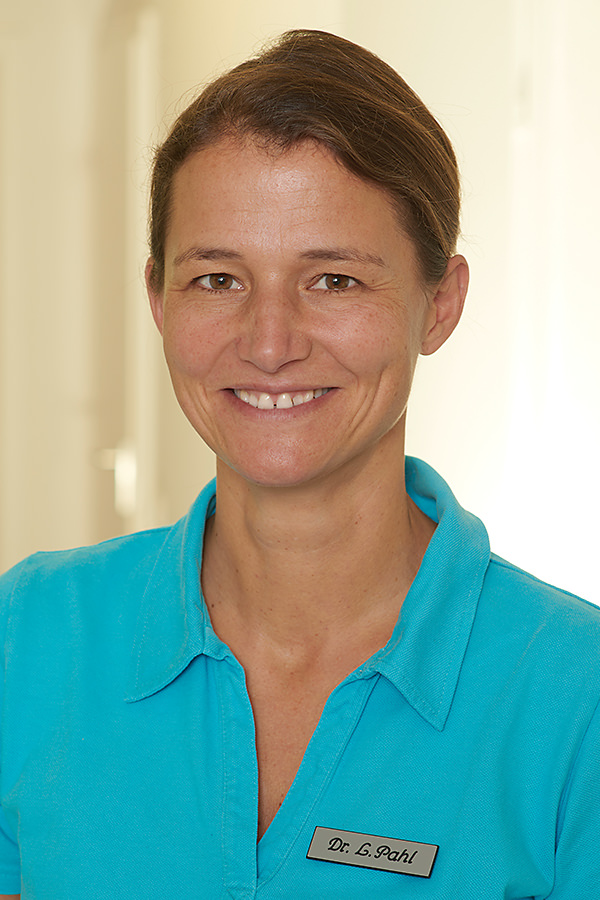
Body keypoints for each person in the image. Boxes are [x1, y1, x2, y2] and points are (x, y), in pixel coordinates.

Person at [1, 29, 599, 899]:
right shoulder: (30, 637)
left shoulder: (576, 695)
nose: (270, 342)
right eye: (218, 279)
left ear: (440, 303)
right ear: (158, 298)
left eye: (333, 280)